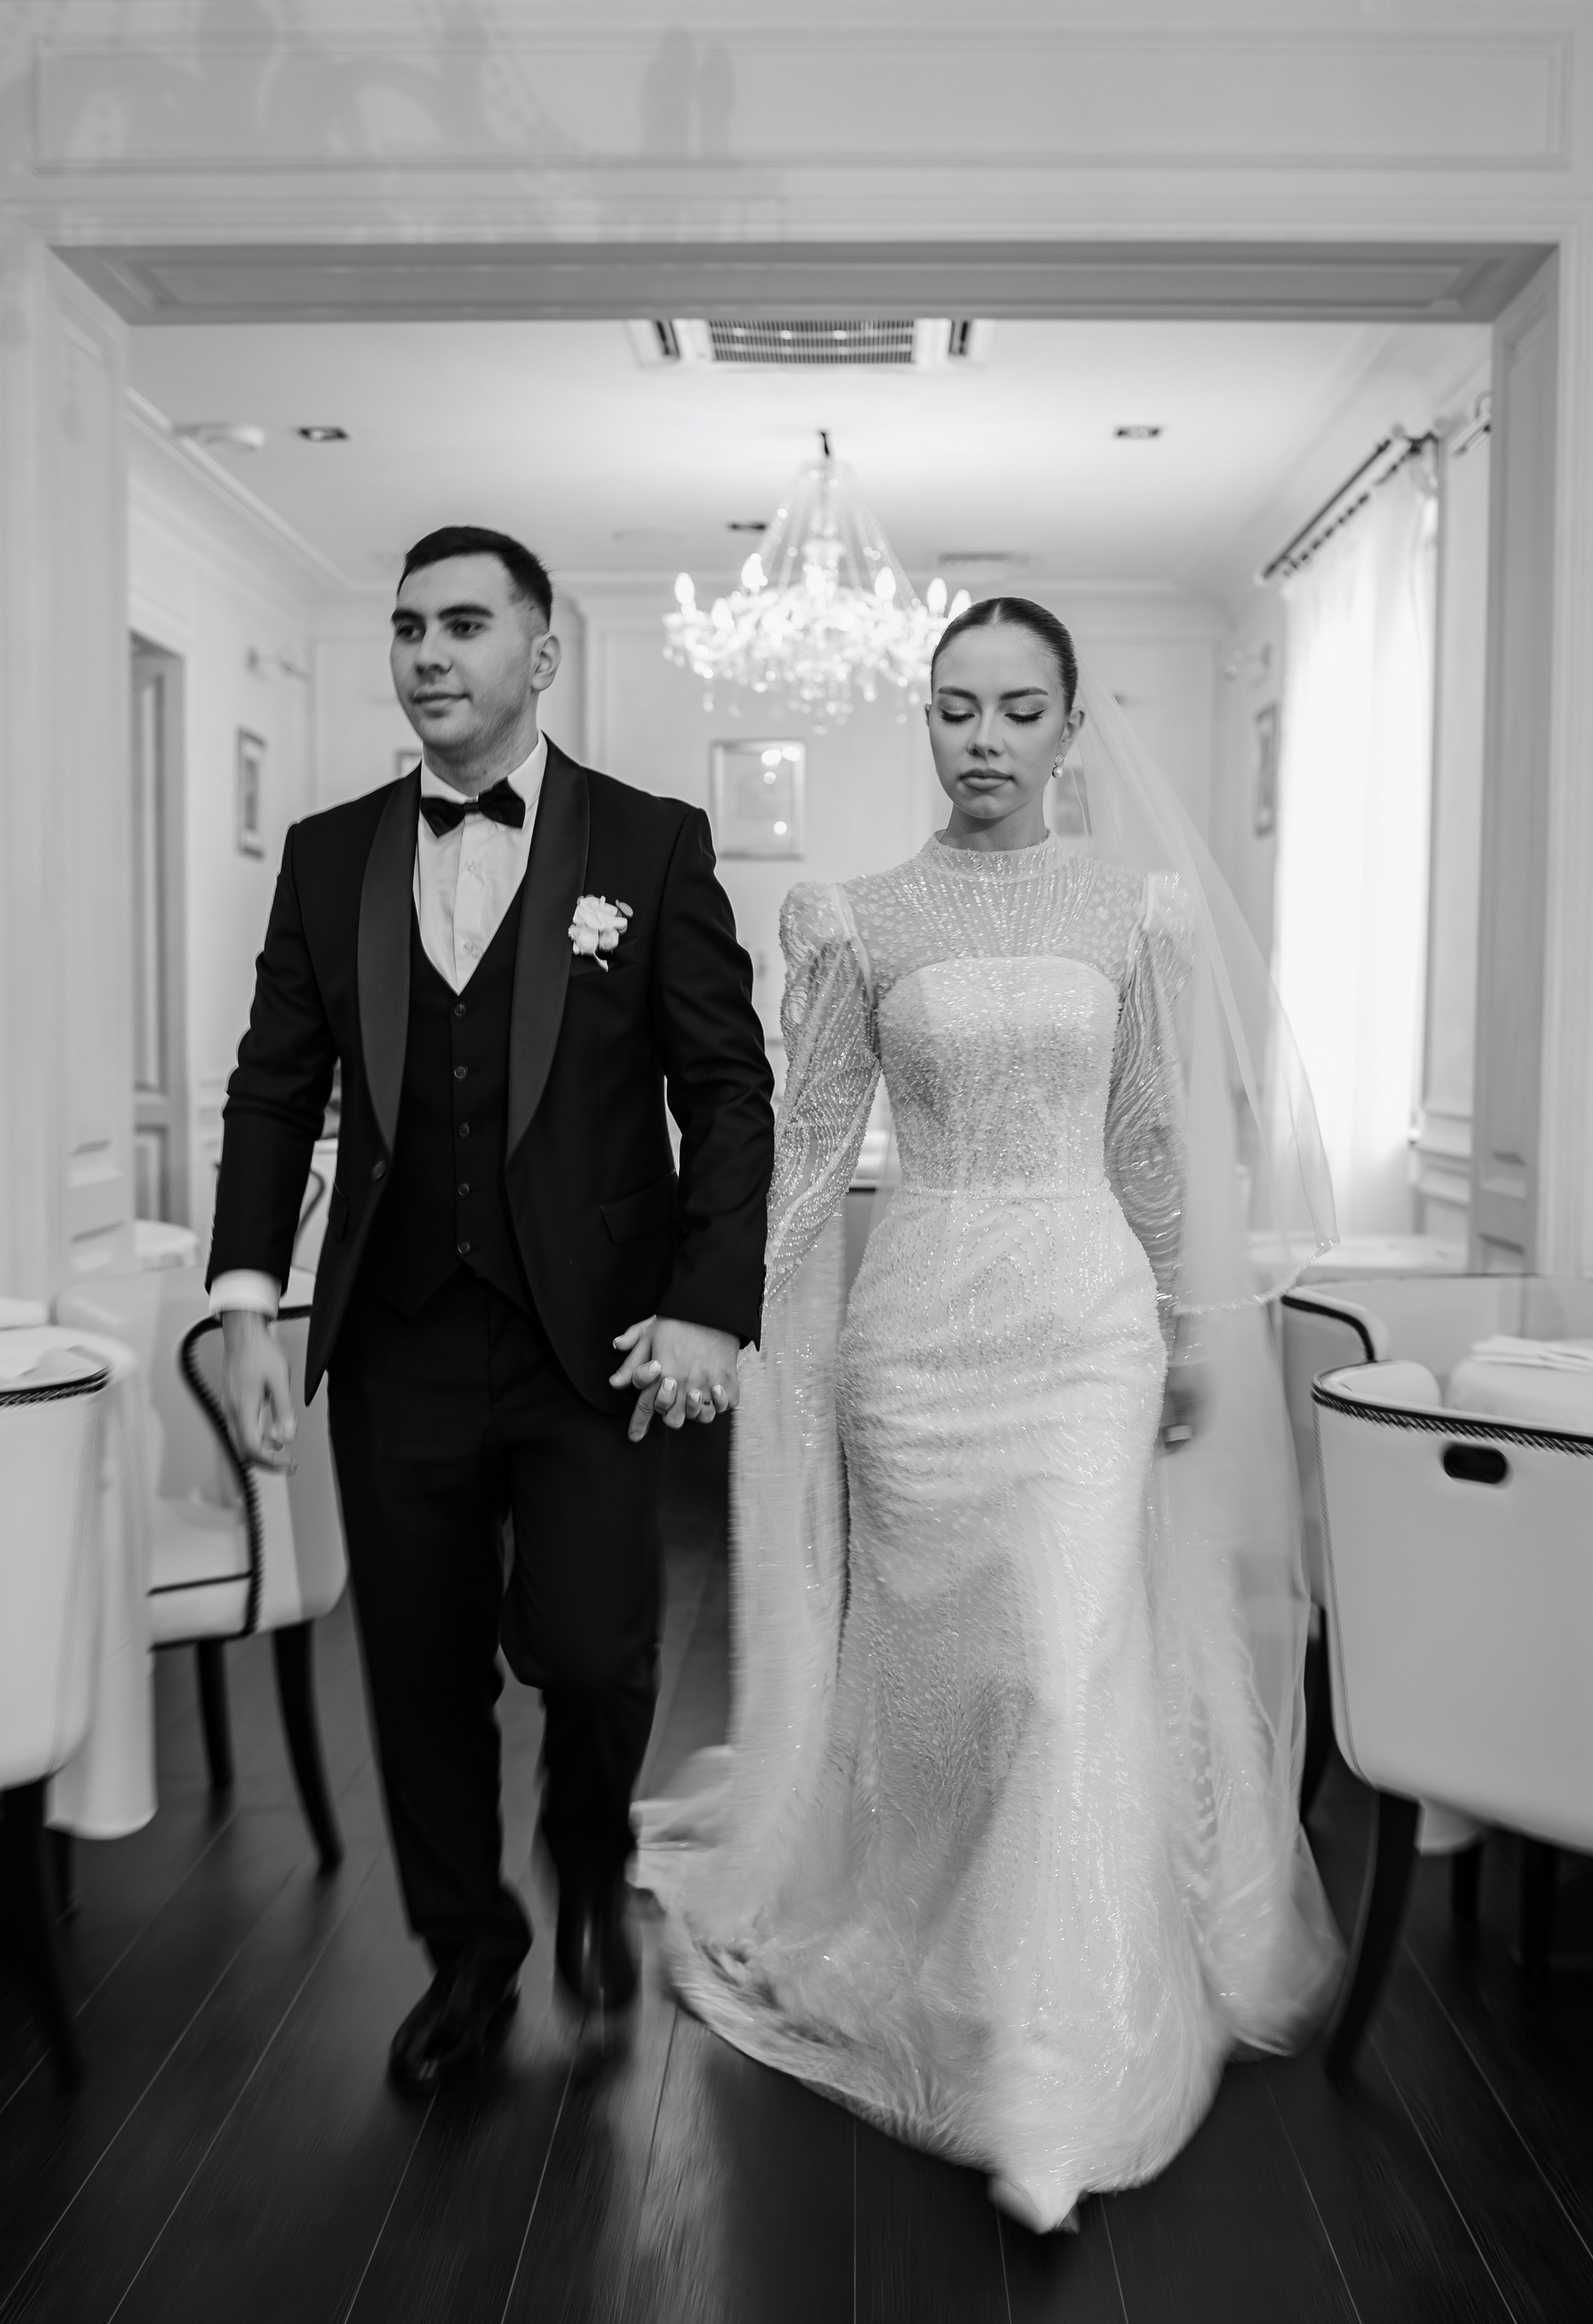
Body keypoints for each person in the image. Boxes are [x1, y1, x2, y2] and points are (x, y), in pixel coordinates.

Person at [638, 598, 1343, 2232]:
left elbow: (1150, 1137)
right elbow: (810, 1148)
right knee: (949, 1678)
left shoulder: (1133, 910)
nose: (985, 739)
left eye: (1021, 710)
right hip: (917, 1339)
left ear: (1071, 728)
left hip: (1084, 1324)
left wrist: (1181, 1326)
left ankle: (1048, 2069)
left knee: (1058, 1665)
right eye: (957, 707)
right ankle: (927, 1946)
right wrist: (746, 1323)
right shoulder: (858, 917)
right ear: (927, 719)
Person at [207, 525, 774, 2091]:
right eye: (408, 627)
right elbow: (274, 1088)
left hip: (590, 1333)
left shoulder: (650, 843)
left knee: (593, 1652)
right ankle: (468, 1954)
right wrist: (250, 1303)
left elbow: (728, 1090)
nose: (428, 654)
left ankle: (588, 1865)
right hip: (397, 1328)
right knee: (419, 1663)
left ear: (542, 654)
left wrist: (710, 1303)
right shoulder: (328, 854)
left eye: (465, 624)